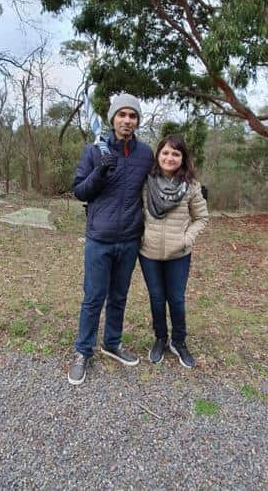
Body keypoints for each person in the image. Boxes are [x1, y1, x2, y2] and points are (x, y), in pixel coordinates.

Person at [68, 94, 154, 385]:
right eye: (122, 115)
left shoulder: (145, 154)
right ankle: (83, 351)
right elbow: (79, 191)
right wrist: (100, 170)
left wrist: (190, 190)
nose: (127, 120)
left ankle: (112, 343)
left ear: (137, 121)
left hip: (129, 239)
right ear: (113, 119)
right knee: (93, 298)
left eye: (132, 115)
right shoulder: (95, 150)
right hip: (99, 238)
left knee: (119, 297)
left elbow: (159, 184)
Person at [139, 134, 208, 368]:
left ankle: (179, 342)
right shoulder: (145, 183)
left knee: (176, 300)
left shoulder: (191, 186)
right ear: (158, 155)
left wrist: (186, 239)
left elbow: (201, 218)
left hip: (179, 254)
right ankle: (160, 338)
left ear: (183, 158)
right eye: (165, 152)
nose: (170, 157)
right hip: (148, 253)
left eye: (176, 153)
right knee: (157, 299)